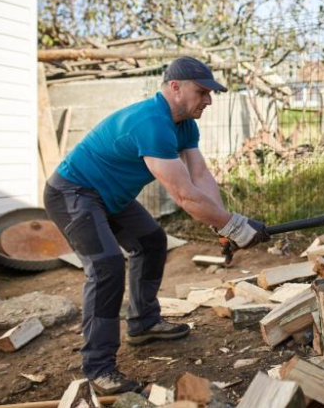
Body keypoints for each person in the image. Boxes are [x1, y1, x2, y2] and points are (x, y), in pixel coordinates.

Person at [44, 57, 269, 395]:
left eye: (211, 93)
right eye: (202, 91)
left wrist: (224, 223)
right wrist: (233, 225)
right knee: (106, 266)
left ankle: (143, 323)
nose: (208, 100)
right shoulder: (151, 122)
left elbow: (200, 176)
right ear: (174, 87)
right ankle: (98, 366)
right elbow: (183, 195)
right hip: (73, 193)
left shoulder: (184, 125)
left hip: (109, 197)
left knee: (151, 241)